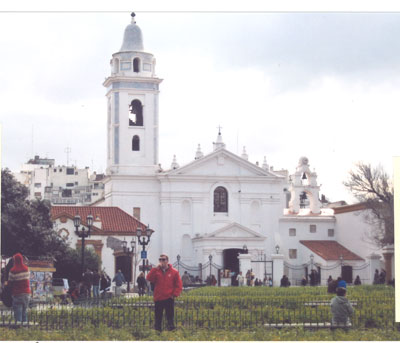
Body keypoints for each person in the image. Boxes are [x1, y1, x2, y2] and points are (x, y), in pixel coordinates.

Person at [146, 254, 183, 331]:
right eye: (160, 259)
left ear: (167, 261)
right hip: (158, 298)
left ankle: (172, 333)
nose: (162, 261)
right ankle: (158, 334)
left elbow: (178, 285)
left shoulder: (174, 272)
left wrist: (174, 295)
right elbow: (149, 278)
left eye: (163, 259)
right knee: (158, 318)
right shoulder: (156, 271)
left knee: (170, 318)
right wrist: (154, 269)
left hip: (169, 298)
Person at [8, 253, 31, 323]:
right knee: (24, 312)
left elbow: (10, 283)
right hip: (27, 293)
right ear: (21, 260)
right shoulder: (26, 269)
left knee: (18, 313)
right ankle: (24, 329)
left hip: (17, 293)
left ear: (14, 260)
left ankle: (18, 329)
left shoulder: (13, 270)